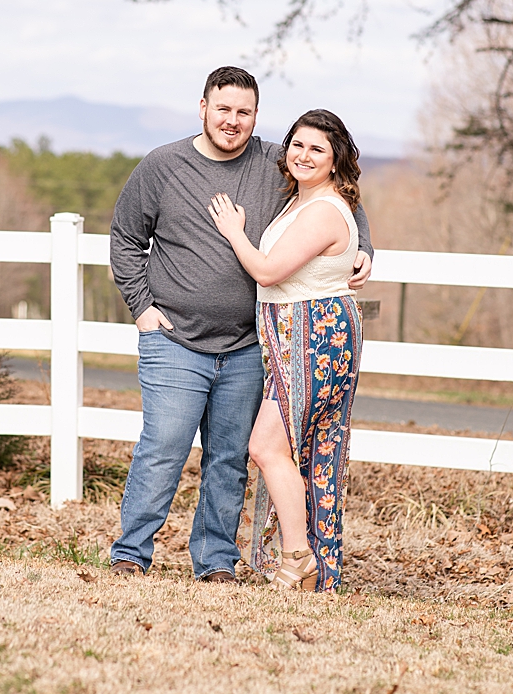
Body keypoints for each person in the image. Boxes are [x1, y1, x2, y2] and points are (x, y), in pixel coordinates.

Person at [107, 67, 372, 583]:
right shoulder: (163, 166)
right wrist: (141, 307)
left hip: (250, 345)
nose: (232, 121)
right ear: (202, 107)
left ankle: (215, 561)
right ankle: (130, 553)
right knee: (163, 447)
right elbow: (124, 237)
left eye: (243, 112)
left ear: (255, 116)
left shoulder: (277, 161)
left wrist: (364, 248)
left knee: (230, 459)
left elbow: (338, 192)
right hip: (175, 338)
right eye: (222, 109)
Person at [208, 109, 364, 592]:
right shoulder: (304, 202)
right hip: (291, 338)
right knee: (302, 449)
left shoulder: (322, 209)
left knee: (267, 445)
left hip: (316, 337)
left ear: (336, 159)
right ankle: (303, 560)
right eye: (297, 144)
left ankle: (300, 558)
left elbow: (270, 271)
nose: (303, 155)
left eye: (317, 148)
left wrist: (234, 230)